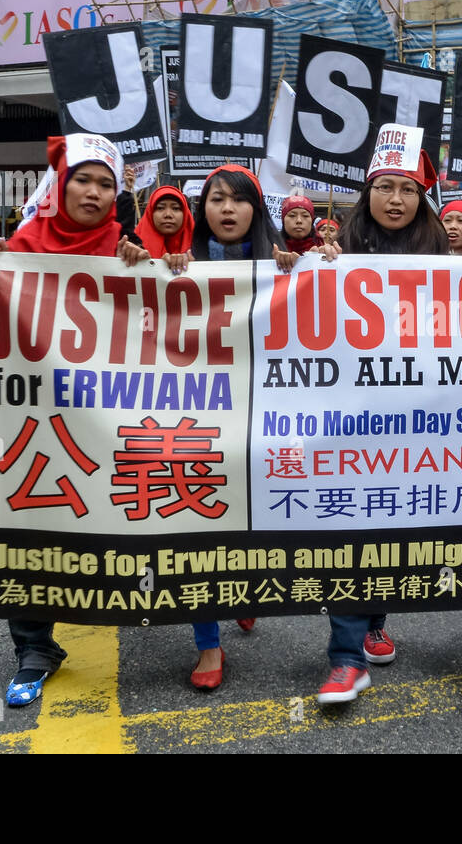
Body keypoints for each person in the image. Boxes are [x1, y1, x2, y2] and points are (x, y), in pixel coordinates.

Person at [322, 125, 462, 701]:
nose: (396, 199)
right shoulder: (334, 259)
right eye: (385, 188)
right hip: (361, 428)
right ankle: (347, 658)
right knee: (358, 535)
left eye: (407, 188)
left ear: (421, 198)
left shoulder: (457, 265)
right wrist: (305, 269)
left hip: (440, 427)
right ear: (368, 194)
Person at [0, 133, 150, 707]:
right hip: (40, 422)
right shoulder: (18, 248)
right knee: (30, 521)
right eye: (83, 179)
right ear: (59, 185)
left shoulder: (126, 250)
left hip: (114, 420)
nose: (94, 193)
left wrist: (150, 269)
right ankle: (34, 647)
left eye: (105, 184)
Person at [184, 164, 299, 686]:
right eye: (216, 199)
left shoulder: (283, 265)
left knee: (254, 516)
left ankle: (244, 587)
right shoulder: (176, 264)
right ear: (201, 209)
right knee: (197, 521)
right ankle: (208, 645)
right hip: (198, 415)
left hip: (264, 418)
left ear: (256, 209)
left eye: (238, 199)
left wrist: (318, 265)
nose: (227, 209)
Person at [133, 184, 194, 266]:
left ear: (186, 214)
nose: (168, 214)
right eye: (160, 208)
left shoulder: (203, 248)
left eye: (176, 208)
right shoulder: (132, 248)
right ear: (150, 213)